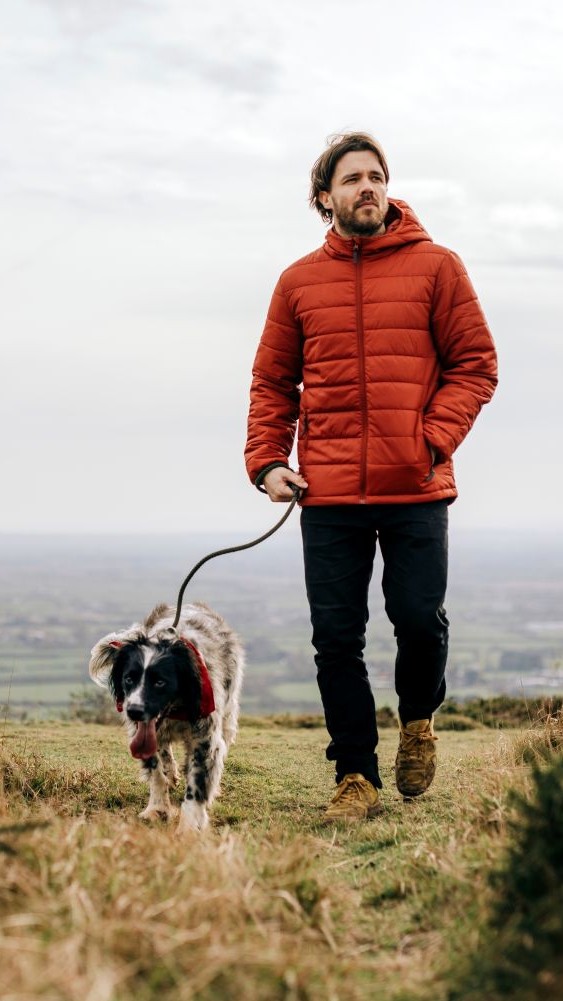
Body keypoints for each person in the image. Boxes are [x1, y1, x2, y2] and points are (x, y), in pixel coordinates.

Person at [245, 132, 497, 822]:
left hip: (414, 487)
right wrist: (269, 461)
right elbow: (271, 381)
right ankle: (355, 774)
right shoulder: (297, 281)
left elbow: (475, 365)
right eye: (352, 178)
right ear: (323, 197)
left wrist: (429, 440)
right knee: (336, 639)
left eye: (376, 176)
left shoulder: (437, 266)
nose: (367, 187)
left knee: (418, 619)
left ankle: (417, 720)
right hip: (326, 496)